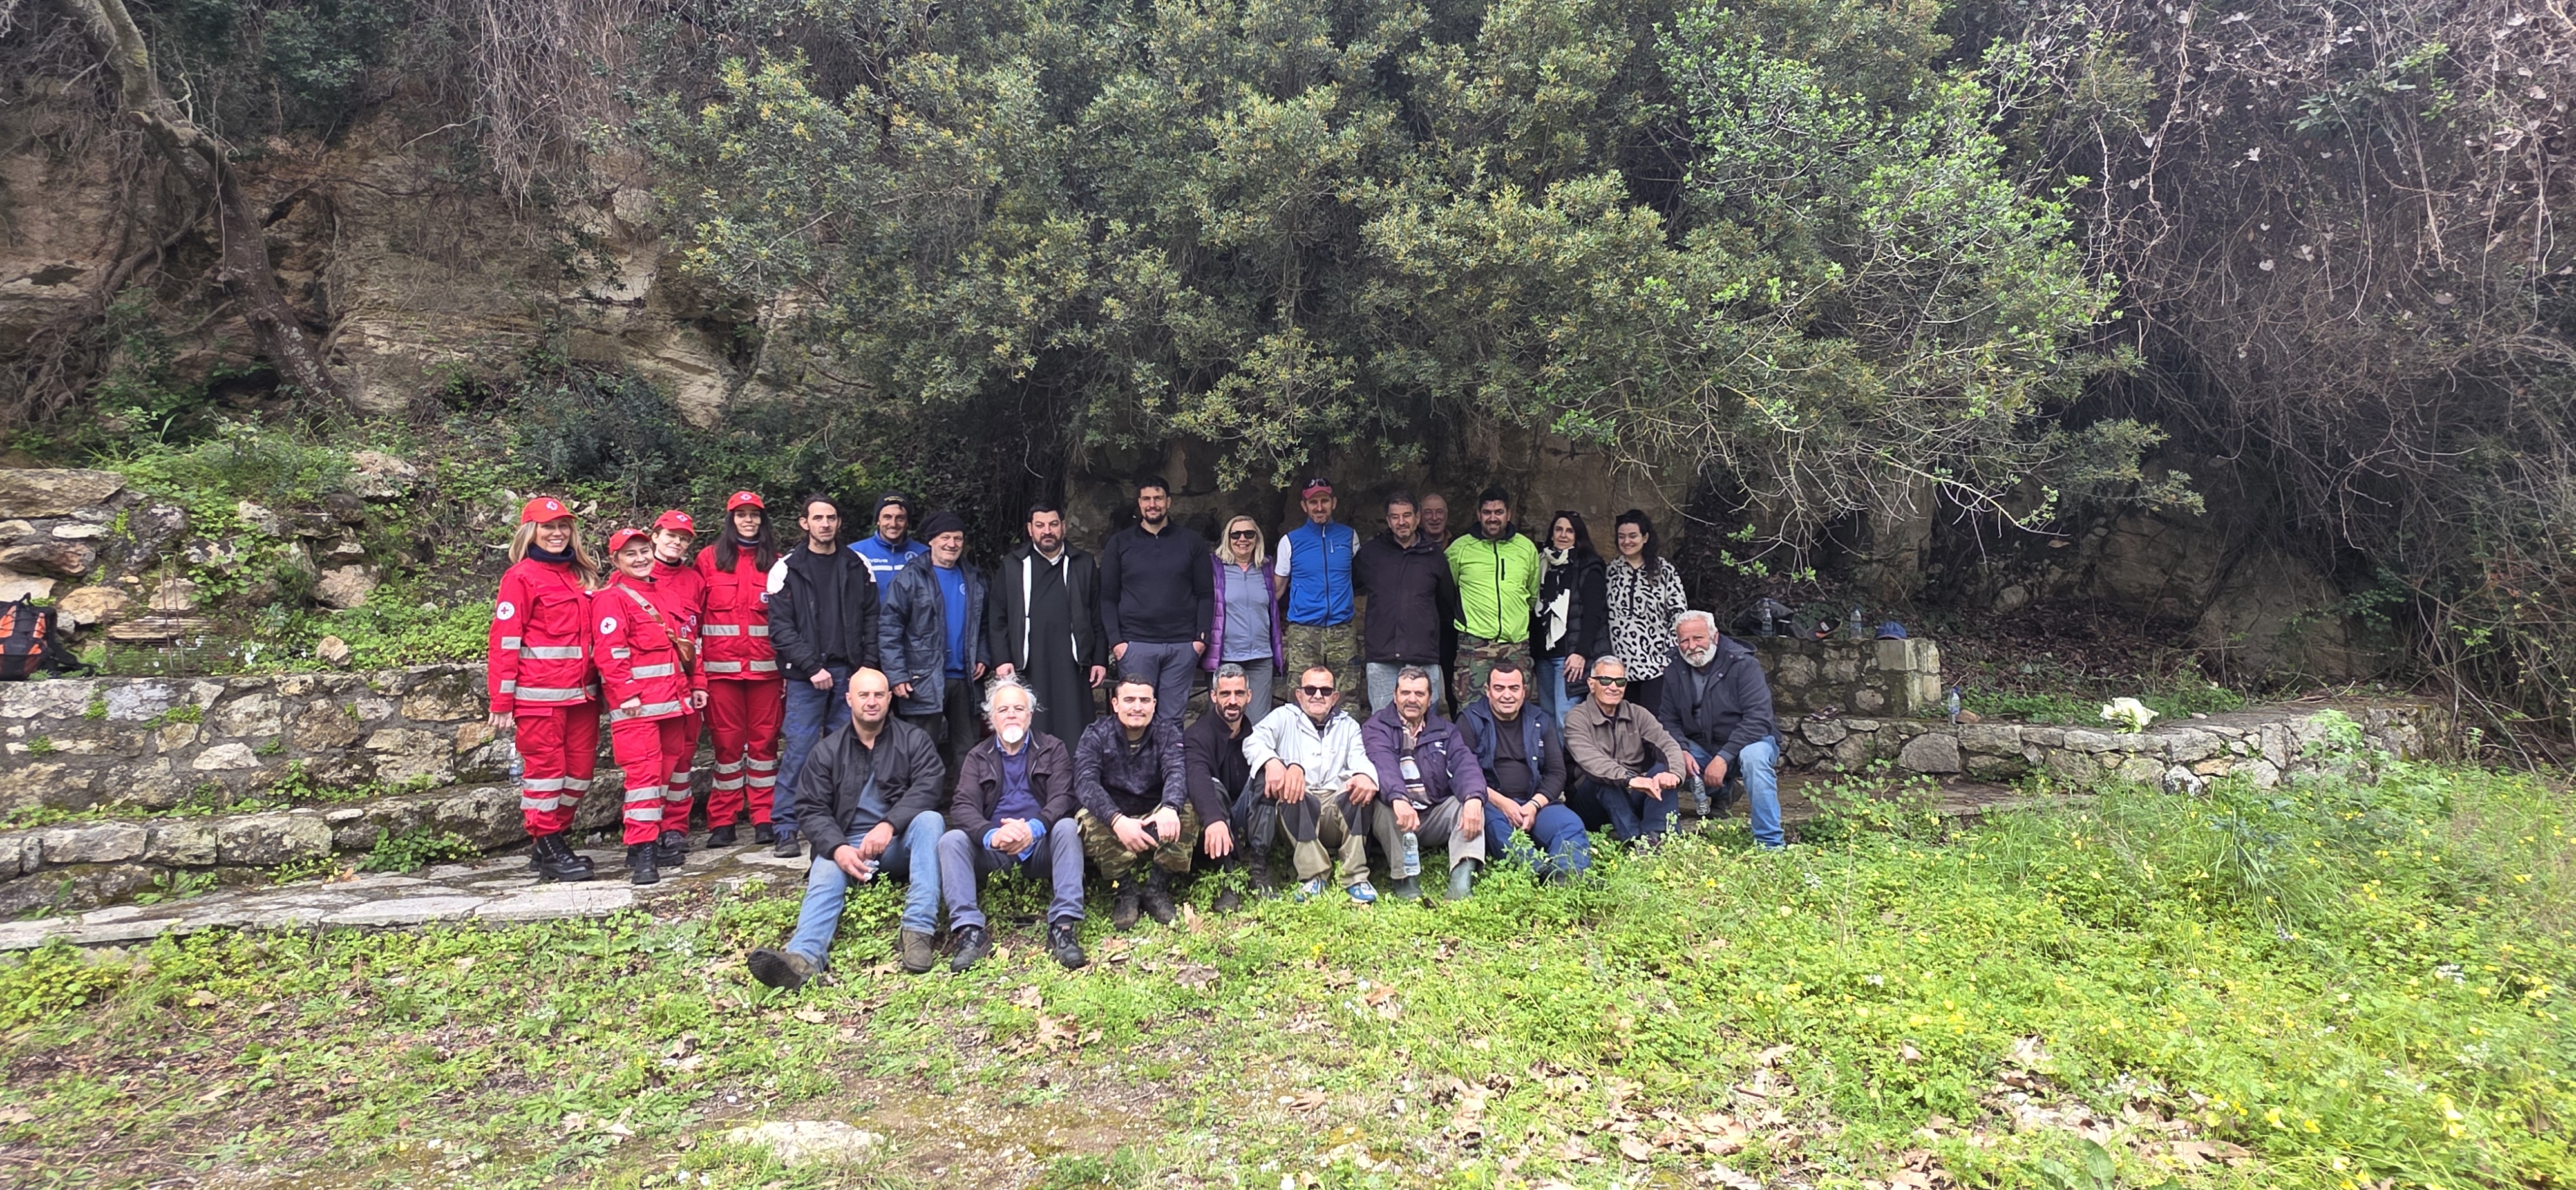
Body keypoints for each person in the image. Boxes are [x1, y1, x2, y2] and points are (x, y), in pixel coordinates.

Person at [746, 668, 949, 988]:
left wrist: (889, 824)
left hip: (897, 843)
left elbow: (929, 786)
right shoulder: (827, 750)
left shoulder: (914, 740)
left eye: (879, 695)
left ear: (890, 698)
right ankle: (803, 960)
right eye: (864, 695)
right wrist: (838, 848)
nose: (872, 702)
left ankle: (918, 932)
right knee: (825, 865)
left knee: (931, 821)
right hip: (846, 847)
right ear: (849, 699)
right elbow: (810, 808)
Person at [938, 675, 1088, 972]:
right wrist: (992, 835)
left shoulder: (1052, 749)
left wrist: (1033, 829)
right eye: (1003, 710)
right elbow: (963, 806)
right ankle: (970, 932)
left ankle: (1063, 926)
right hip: (995, 851)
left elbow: (1064, 797)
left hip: (1041, 846)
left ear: (1030, 715)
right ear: (991, 718)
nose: (1011, 715)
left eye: (1019, 709)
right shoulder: (977, 757)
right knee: (951, 840)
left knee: (1068, 827)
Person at [488, 496, 601, 883]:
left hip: (582, 696)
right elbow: (505, 641)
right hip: (540, 697)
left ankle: (548, 842)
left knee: (580, 775)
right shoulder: (520, 577)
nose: (557, 533)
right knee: (546, 774)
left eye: (563, 526)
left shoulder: (580, 575)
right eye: (548, 527)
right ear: (530, 532)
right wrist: (502, 700)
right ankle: (549, 842)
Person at [767, 494, 882, 858]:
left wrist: (867, 667)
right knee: (799, 752)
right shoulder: (786, 568)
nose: (825, 524)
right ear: (805, 523)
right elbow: (781, 629)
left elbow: (872, 619)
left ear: (839, 522)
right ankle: (786, 827)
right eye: (818, 518)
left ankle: (841, 825)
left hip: (850, 674)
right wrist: (811, 668)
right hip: (806, 678)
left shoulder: (857, 564)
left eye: (831, 518)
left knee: (849, 753)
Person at [595, 527, 706, 883]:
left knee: (664, 776)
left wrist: (697, 685)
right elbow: (610, 652)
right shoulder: (611, 598)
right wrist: (626, 692)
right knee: (644, 779)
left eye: (644, 551)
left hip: (673, 704)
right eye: (631, 554)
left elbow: (686, 644)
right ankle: (643, 852)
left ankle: (650, 841)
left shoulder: (664, 592)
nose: (641, 559)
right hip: (638, 709)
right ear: (615, 560)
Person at [1241, 665, 1383, 903]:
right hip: (1299, 810)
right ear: (1299, 695)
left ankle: (1356, 877)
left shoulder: (1349, 725)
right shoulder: (1284, 717)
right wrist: (1273, 762)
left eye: (1325, 691)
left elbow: (1361, 759)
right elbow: (1253, 741)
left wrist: (1365, 776)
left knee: (1359, 791)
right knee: (1292, 793)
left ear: (1335, 697)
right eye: (1310, 690)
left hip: (1336, 808)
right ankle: (1314, 876)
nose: (1318, 695)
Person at [1072, 675, 1198, 929]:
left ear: (1154, 704)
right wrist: (1117, 820)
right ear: (1115, 704)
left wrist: (1169, 807)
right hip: (1114, 819)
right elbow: (1085, 782)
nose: (1137, 707)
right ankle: (1125, 890)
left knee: (1188, 809)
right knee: (1086, 818)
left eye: (1144, 700)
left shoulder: (1166, 732)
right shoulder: (1096, 734)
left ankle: (1156, 889)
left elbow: (1176, 771)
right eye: (1129, 700)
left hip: (1154, 815)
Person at [695, 491, 785, 845]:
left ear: (763, 520)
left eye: (754, 515)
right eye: (741, 515)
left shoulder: (776, 563)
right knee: (727, 748)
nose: (748, 521)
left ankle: (765, 817)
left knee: (765, 747)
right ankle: (723, 820)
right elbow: (693, 616)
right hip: (721, 674)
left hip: (766, 672)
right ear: (730, 520)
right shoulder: (708, 559)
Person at [1656, 610, 1786, 847]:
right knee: (1668, 757)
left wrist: (1724, 757)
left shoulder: (1744, 664)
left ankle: (1770, 843)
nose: (1692, 646)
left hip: (1750, 742)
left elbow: (1758, 719)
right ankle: (1723, 793)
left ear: (1714, 636)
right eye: (1684, 641)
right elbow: (1668, 719)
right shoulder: (1674, 669)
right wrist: (1681, 749)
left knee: (1754, 759)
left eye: (1698, 638)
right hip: (1702, 746)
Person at [1358, 667, 1488, 900]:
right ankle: (1405, 879)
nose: (1412, 699)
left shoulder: (1445, 729)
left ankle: (1461, 880)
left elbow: (1465, 764)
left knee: (1469, 805)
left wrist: (1473, 798)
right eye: (1405, 693)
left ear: (1430, 699)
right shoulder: (1376, 727)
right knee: (1384, 807)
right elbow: (1383, 764)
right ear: (1395, 695)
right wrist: (1399, 798)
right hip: (1396, 815)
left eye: (1419, 694)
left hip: (1432, 812)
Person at [881, 510, 989, 786]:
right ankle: (921, 804)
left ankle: (965, 802)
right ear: (931, 541)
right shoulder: (910, 578)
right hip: (922, 679)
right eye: (945, 538)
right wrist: (897, 675)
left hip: (965, 679)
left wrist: (983, 656)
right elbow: (890, 629)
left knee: (967, 750)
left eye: (958, 538)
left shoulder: (974, 578)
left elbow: (985, 625)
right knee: (921, 751)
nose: (952, 544)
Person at [987, 502, 1107, 747]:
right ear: (1030, 529)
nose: (1047, 531)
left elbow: (1098, 614)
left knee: (1074, 726)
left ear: (1063, 526)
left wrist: (1099, 659)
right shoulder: (1014, 565)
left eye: (1053, 524)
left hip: (1072, 664)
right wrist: (1002, 659)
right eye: (1040, 525)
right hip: (1029, 663)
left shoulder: (1083, 563)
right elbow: (997, 616)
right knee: (1033, 723)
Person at [1459, 661, 1592, 880]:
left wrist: (1534, 805)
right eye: (1499, 688)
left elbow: (1557, 772)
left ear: (1524, 691)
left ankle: (1568, 873)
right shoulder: (1470, 720)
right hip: (1491, 804)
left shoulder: (1540, 719)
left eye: (1514, 688)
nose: (1507, 695)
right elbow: (1464, 773)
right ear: (1488, 691)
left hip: (1535, 802)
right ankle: (1539, 872)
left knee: (1570, 824)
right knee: (1495, 828)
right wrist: (1503, 803)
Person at [1098, 476, 1212, 729]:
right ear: (1139, 503)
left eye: (1158, 498)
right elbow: (1108, 596)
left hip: (1182, 645)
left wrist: (1200, 640)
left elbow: (1206, 594)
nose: (1153, 504)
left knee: (1171, 722)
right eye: (1147, 499)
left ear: (1168, 502)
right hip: (1135, 644)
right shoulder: (1120, 543)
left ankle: (1169, 759)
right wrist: (1117, 642)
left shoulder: (1191, 542)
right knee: (1136, 718)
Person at [1563, 655, 1692, 845]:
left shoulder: (1637, 713)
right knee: (1604, 781)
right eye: (1605, 680)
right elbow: (1591, 760)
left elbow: (1668, 744)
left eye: (1620, 682)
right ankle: (1636, 842)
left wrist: (1674, 774)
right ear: (1591, 684)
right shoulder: (1577, 717)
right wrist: (1630, 778)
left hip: (1631, 794)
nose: (1613, 687)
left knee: (1662, 771)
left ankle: (1658, 836)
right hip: (1591, 803)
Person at [1352, 491, 1452, 712]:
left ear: (1417, 518)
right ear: (1388, 521)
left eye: (1407, 515)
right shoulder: (1371, 554)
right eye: (1395, 517)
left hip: (1423, 654)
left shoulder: (1434, 556)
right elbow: (1347, 585)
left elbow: (1446, 605)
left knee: (1425, 722)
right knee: (1384, 722)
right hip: (1382, 655)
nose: (1401, 522)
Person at [1446, 486, 1540, 707]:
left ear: (1509, 514)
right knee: (1471, 709)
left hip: (1516, 644)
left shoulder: (1526, 548)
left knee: (1516, 709)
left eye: (1499, 512)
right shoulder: (1460, 548)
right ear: (1479, 515)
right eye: (1487, 512)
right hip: (1475, 644)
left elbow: (1532, 594)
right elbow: (1448, 592)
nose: (1493, 518)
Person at [647, 509, 708, 844]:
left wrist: (699, 683)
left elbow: (697, 639)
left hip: (685, 685)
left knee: (683, 759)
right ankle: (648, 829)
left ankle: (674, 828)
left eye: (684, 539)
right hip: (648, 688)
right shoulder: (630, 577)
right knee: (651, 762)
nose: (677, 542)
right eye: (671, 535)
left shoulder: (694, 581)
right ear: (655, 536)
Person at [1274, 478, 1359, 703]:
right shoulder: (1290, 542)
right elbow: (1277, 590)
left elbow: (1358, 577)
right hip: (1304, 632)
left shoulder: (1350, 537)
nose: (1319, 507)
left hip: (1342, 630)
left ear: (1334, 503)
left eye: (1324, 501)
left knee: (1346, 696)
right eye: (1313, 502)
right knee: (1301, 695)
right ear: (1304, 506)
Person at [1185, 663, 1257, 909]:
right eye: (1225, 694)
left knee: (1266, 775)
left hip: (1245, 816)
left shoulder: (1257, 735)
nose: (1232, 701)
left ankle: (1259, 865)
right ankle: (1227, 875)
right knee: (1212, 788)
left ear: (1249, 696)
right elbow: (1197, 778)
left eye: (1239, 693)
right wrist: (1214, 819)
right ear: (1213, 696)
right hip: (1213, 823)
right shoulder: (1197, 734)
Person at [1605, 509, 1689, 713]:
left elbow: (1679, 615)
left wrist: (1668, 657)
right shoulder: (1610, 571)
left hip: (1656, 666)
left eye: (1633, 536)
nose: (1627, 541)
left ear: (1645, 537)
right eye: (1622, 536)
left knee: (1654, 723)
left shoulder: (1664, 570)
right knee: (1625, 723)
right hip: (1620, 668)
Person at [1534, 511, 1607, 730]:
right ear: (1552, 534)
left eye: (1570, 531)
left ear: (1578, 535)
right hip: (1544, 653)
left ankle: (1572, 755)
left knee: (1566, 718)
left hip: (1570, 655)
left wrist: (1581, 653)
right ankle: (1554, 755)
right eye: (1559, 530)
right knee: (1547, 717)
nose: (1563, 535)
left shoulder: (1589, 565)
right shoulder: (1541, 562)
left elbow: (1594, 614)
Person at [1208, 515, 1283, 712]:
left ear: (1257, 538)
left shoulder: (1266, 567)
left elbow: (1275, 599)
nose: (1242, 539)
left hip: (1261, 656)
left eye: (1249, 534)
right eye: (1236, 535)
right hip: (1227, 655)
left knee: (1259, 721)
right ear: (1228, 538)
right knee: (1225, 717)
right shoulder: (1214, 567)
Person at [851, 492, 929, 587]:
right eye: (887, 517)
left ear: (908, 522)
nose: (893, 524)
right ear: (878, 521)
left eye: (900, 518)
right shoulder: (855, 553)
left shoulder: (924, 554)